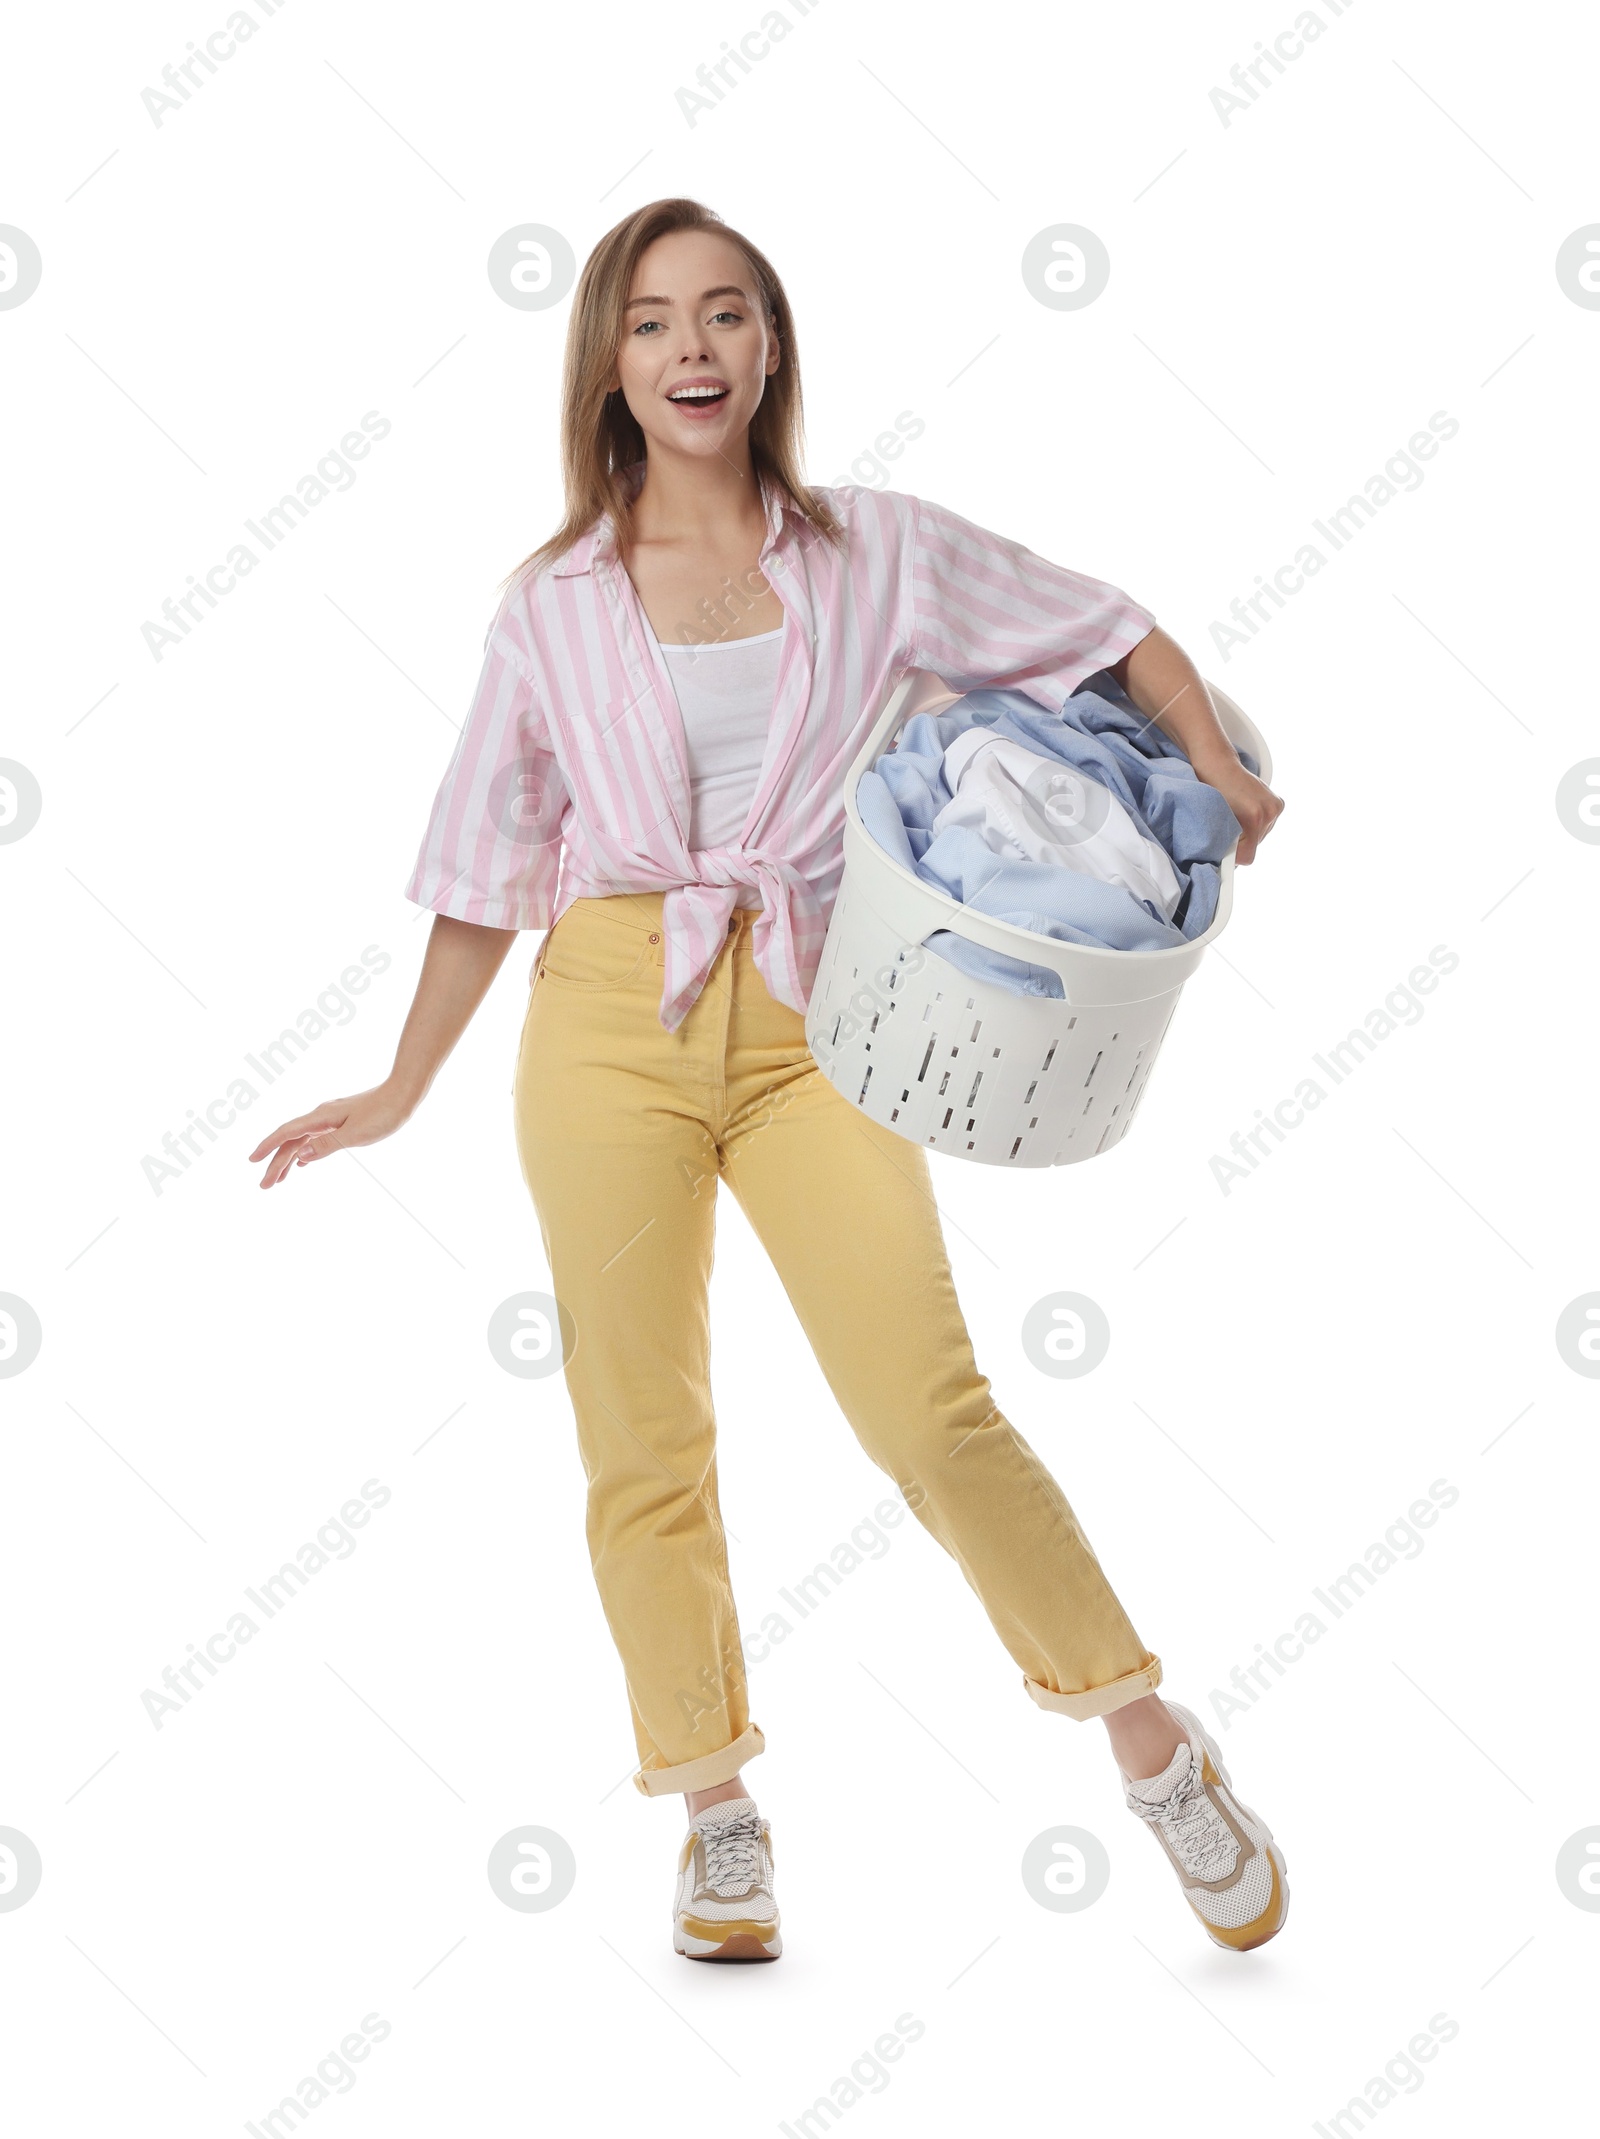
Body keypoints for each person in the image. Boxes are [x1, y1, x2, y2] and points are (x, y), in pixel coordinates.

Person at [249, 197, 1288, 1962]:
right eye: (653, 325)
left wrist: (1219, 773)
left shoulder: (873, 549)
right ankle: (715, 1812)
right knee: (640, 1438)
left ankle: (1149, 1741)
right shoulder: (550, 607)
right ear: (610, 367)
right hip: (604, 1016)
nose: (694, 351)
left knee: (929, 1409)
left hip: (832, 1013)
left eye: (725, 315)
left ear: (772, 346)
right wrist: (399, 1084)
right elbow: (486, 861)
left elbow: (1105, 627)